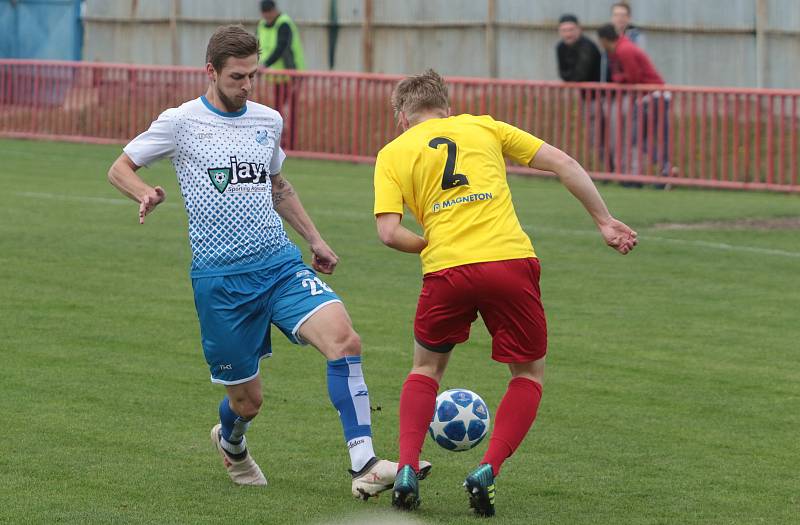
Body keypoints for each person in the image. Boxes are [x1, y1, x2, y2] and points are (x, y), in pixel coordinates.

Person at [106, 24, 429, 500]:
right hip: (221, 281)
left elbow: (278, 185)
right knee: (247, 401)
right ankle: (232, 442)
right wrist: (144, 192)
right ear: (211, 72)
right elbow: (120, 167)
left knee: (345, 339)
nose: (247, 86)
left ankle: (364, 463)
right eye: (237, 77)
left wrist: (315, 240)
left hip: (280, 265)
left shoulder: (267, 120)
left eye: (253, 75)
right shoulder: (180, 122)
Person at [372, 70, 637, 516]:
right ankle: (487, 470)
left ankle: (405, 467)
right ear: (447, 106)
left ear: (402, 118)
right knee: (528, 374)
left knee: (425, 368)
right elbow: (564, 164)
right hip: (509, 262)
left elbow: (388, 232)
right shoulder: (485, 126)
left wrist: (430, 243)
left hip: (446, 271)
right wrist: (604, 221)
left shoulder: (392, 153)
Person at [598, 23, 671, 181]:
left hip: (652, 96)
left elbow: (633, 77)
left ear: (604, 39)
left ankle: (666, 167)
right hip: (651, 96)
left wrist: (617, 79)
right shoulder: (622, 48)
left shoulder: (624, 50)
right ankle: (664, 168)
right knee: (640, 139)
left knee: (637, 139)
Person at [256, 0, 305, 149]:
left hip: (291, 75)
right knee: (277, 111)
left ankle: (291, 144)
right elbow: (256, 44)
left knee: (291, 111)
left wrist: (265, 64)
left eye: (269, 13)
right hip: (275, 77)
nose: (267, 17)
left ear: (274, 10)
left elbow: (281, 47)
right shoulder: (262, 25)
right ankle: (280, 141)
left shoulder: (284, 23)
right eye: (265, 14)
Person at [555, 14, 604, 161]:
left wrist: (572, 76)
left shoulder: (588, 46)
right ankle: (603, 166)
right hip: (585, 98)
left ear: (579, 29)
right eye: (564, 30)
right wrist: (572, 76)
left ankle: (610, 168)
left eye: (571, 29)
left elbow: (580, 75)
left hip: (600, 97)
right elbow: (564, 74)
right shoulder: (560, 47)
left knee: (603, 135)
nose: (568, 34)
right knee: (593, 136)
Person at [601, 3, 646, 82]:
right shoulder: (606, 36)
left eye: (623, 15)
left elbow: (636, 67)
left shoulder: (636, 37)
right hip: (609, 85)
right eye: (616, 15)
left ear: (629, 18)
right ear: (611, 18)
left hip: (630, 85)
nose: (619, 18)